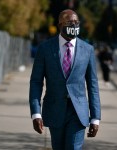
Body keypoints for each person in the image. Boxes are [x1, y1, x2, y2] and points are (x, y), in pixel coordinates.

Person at [29, 9, 101, 150]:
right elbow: (36, 82)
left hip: (78, 112)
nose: (74, 26)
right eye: (69, 22)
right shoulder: (45, 48)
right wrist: (35, 113)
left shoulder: (87, 50)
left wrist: (95, 117)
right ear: (60, 24)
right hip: (55, 109)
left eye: (76, 22)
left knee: (73, 147)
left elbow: (93, 85)